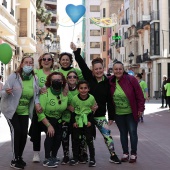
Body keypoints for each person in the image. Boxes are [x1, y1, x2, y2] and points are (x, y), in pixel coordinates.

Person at [70, 42, 121, 164]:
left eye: (100, 68)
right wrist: (76, 51)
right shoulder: (89, 78)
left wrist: (111, 117)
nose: (98, 71)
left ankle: (113, 155)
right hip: (86, 115)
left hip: (100, 116)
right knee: (84, 137)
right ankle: (83, 155)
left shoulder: (107, 82)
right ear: (92, 70)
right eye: (95, 69)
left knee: (107, 135)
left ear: (103, 68)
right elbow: (81, 64)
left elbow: (110, 100)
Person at [0, 56, 39, 169]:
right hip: (11, 109)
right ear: (21, 64)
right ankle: (14, 159)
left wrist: (38, 99)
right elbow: (2, 92)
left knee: (23, 134)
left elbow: (35, 95)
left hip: (25, 111)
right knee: (16, 131)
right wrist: (6, 92)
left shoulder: (34, 78)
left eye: (30, 63)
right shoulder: (14, 76)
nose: (28, 65)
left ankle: (19, 157)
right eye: (26, 62)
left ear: (32, 65)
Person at [109, 61, 145, 163]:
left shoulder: (131, 79)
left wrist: (141, 109)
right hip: (118, 113)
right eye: (116, 69)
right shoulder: (110, 80)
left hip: (131, 112)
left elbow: (139, 95)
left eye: (120, 69)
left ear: (123, 69)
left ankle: (133, 153)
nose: (118, 71)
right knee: (123, 133)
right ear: (113, 70)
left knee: (133, 132)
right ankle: (125, 153)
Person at [37, 72, 68, 168]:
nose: (56, 82)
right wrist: (48, 125)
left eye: (59, 80)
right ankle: (47, 158)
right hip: (46, 119)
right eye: (54, 80)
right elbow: (40, 112)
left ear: (62, 82)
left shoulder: (65, 93)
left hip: (58, 119)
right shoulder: (45, 93)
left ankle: (53, 156)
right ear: (50, 82)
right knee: (50, 134)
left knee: (59, 138)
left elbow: (72, 103)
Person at [29, 53, 55, 163]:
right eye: (44, 59)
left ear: (52, 61)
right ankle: (36, 153)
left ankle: (49, 154)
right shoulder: (36, 73)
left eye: (49, 59)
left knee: (51, 131)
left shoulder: (55, 74)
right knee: (36, 131)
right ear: (41, 61)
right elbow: (31, 88)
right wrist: (38, 90)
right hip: (38, 106)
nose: (46, 61)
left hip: (51, 107)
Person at [70, 80, 97, 167]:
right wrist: (74, 122)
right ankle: (75, 158)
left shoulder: (92, 98)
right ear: (78, 89)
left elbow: (92, 111)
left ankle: (92, 159)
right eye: (81, 88)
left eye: (85, 88)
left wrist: (90, 121)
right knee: (76, 140)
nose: (83, 90)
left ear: (88, 89)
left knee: (89, 140)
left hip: (87, 120)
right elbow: (73, 111)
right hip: (77, 120)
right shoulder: (74, 99)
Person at [61, 71, 79, 164]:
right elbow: (60, 101)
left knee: (76, 138)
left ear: (77, 79)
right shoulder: (63, 89)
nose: (72, 78)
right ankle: (66, 156)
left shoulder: (80, 89)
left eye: (74, 77)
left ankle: (77, 156)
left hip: (77, 118)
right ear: (67, 79)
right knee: (64, 138)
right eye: (69, 77)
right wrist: (68, 106)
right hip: (65, 117)